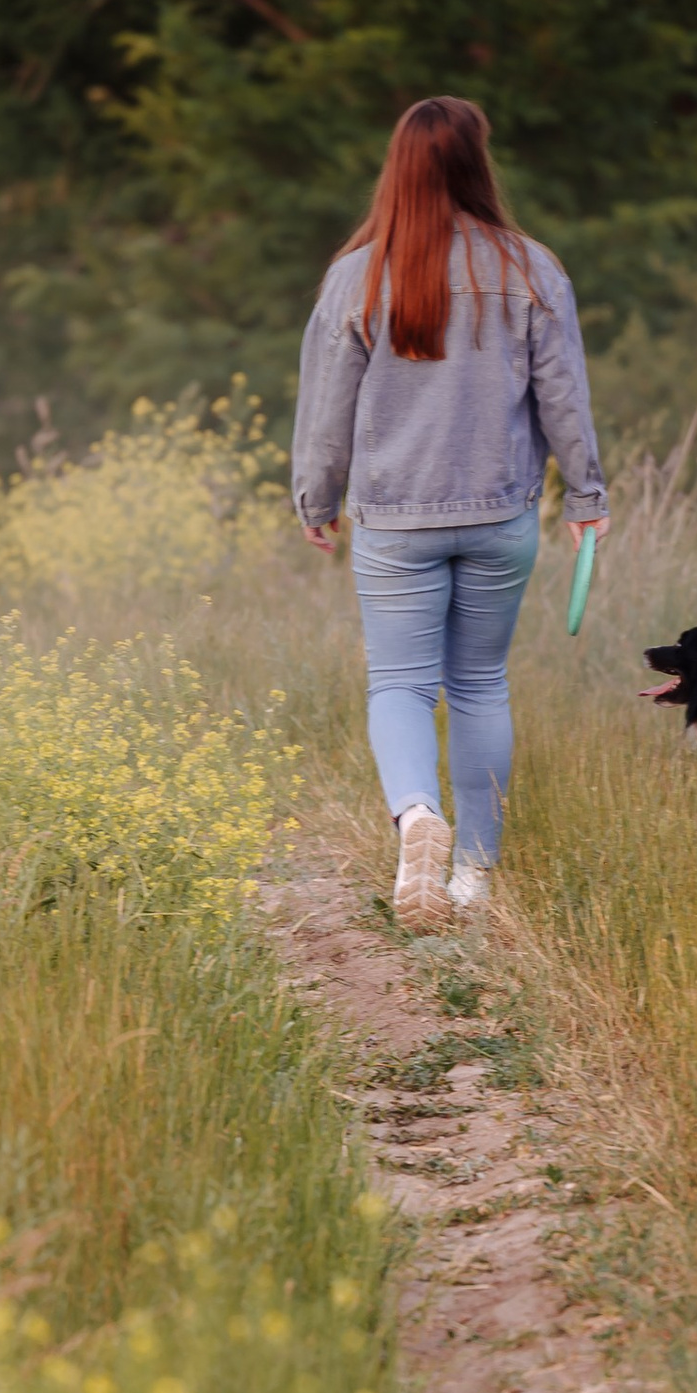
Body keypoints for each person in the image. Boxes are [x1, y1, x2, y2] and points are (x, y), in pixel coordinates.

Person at [291, 97, 609, 928]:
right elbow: (563, 395)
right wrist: (586, 494)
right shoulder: (530, 268)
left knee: (400, 683)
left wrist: (315, 501)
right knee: (478, 685)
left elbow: (327, 411)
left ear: (396, 168)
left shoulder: (355, 277)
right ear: (478, 163)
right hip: (500, 513)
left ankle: (416, 818)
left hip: (396, 519)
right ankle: (472, 875)